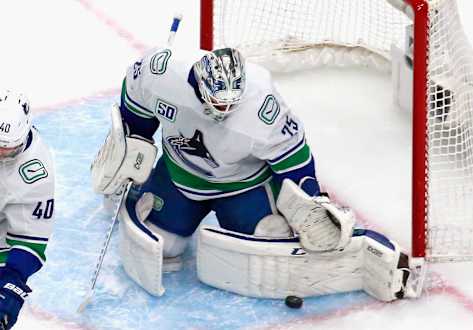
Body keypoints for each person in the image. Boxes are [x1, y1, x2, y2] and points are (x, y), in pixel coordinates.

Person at [92, 47, 420, 301]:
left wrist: (312, 202)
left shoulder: (263, 104)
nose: (224, 112)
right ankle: (144, 196)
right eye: (217, 104)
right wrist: (130, 145)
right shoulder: (160, 72)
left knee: (269, 235)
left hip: (241, 186)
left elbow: (295, 162)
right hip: (180, 177)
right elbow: (135, 110)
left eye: (230, 105)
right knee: (165, 247)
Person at [0, 90, 55, 329]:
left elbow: (30, 241)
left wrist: (12, 281)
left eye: (8, 149)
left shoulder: (35, 174)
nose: (0, 153)